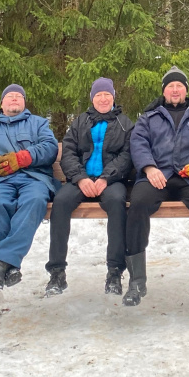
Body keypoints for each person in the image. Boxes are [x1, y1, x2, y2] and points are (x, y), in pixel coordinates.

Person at [125, 67, 189, 306]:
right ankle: (137, 280)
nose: (175, 89)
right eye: (171, 86)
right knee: (137, 204)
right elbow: (138, 144)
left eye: (180, 85)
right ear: (164, 91)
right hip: (158, 176)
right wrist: (149, 168)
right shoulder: (148, 118)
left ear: (186, 90)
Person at [45, 78, 134, 297]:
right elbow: (68, 152)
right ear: (92, 98)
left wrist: (105, 178)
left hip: (111, 182)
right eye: (98, 95)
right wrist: (80, 177)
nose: (103, 99)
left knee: (116, 203)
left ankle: (114, 271)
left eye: (107, 95)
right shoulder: (79, 122)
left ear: (113, 97)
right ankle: (57, 272)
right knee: (61, 202)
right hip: (81, 180)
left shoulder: (125, 123)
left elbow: (127, 155)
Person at [0, 84, 59, 289]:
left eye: (19, 96)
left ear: (24, 102)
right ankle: (8, 265)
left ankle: (0, 263)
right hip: (0, 181)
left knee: (34, 201)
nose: (15, 99)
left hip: (34, 178)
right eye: (10, 96)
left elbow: (50, 148)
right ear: (2, 103)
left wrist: (23, 157)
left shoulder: (38, 124)